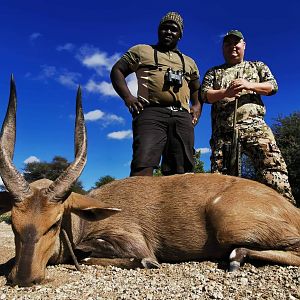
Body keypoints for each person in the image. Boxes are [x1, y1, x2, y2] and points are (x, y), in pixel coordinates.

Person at [201, 29, 295, 203]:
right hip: (223, 134)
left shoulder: (257, 66)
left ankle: (287, 216)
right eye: (227, 44)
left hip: (255, 128)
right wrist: (225, 92)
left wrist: (248, 85)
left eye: (236, 43)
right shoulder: (213, 72)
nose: (232, 47)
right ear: (223, 48)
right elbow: (204, 95)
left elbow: (272, 87)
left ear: (244, 45)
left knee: (274, 172)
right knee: (221, 183)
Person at [110, 12, 201, 176]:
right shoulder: (142, 50)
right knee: (143, 163)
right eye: (164, 28)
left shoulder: (189, 62)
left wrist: (196, 106)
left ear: (180, 34)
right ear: (158, 30)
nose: (168, 32)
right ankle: (138, 201)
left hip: (181, 115)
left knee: (182, 170)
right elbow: (117, 70)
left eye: (173, 29)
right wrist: (128, 98)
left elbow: (196, 88)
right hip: (150, 112)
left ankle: (176, 202)